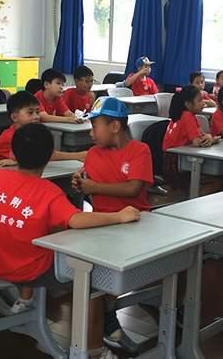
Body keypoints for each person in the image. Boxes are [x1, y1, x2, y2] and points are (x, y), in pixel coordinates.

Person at [0, 123, 139, 359]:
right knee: (93, 278)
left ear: (13, 154)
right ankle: (93, 349)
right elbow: (76, 220)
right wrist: (119, 216)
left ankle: (24, 300)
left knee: (31, 236)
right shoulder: (49, 192)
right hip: (28, 269)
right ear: (49, 156)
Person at [71, 97, 152, 354]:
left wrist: (94, 187)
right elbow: (88, 180)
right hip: (102, 223)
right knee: (96, 276)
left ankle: (172, 308)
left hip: (136, 221)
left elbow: (133, 188)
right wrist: (80, 182)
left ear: (115, 126)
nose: (91, 133)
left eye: (95, 126)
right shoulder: (94, 153)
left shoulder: (140, 150)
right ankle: (105, 320)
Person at [0, 91, 86, 166]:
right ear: (14, 117)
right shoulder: (10, 136)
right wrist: (78, 156)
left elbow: (44, 153)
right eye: (30, 113)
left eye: (37, 112)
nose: (36, 116)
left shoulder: (31, 133)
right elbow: (41, 155)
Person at [163, 85, 218, 151]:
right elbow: (197, 142)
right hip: (174, 154)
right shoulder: (187, 116)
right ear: (188, 104)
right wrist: (212, 140)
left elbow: (201, 135)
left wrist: (209, 137)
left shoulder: (187, 115)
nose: (203, 103)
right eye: (199, 100)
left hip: (179, 151)